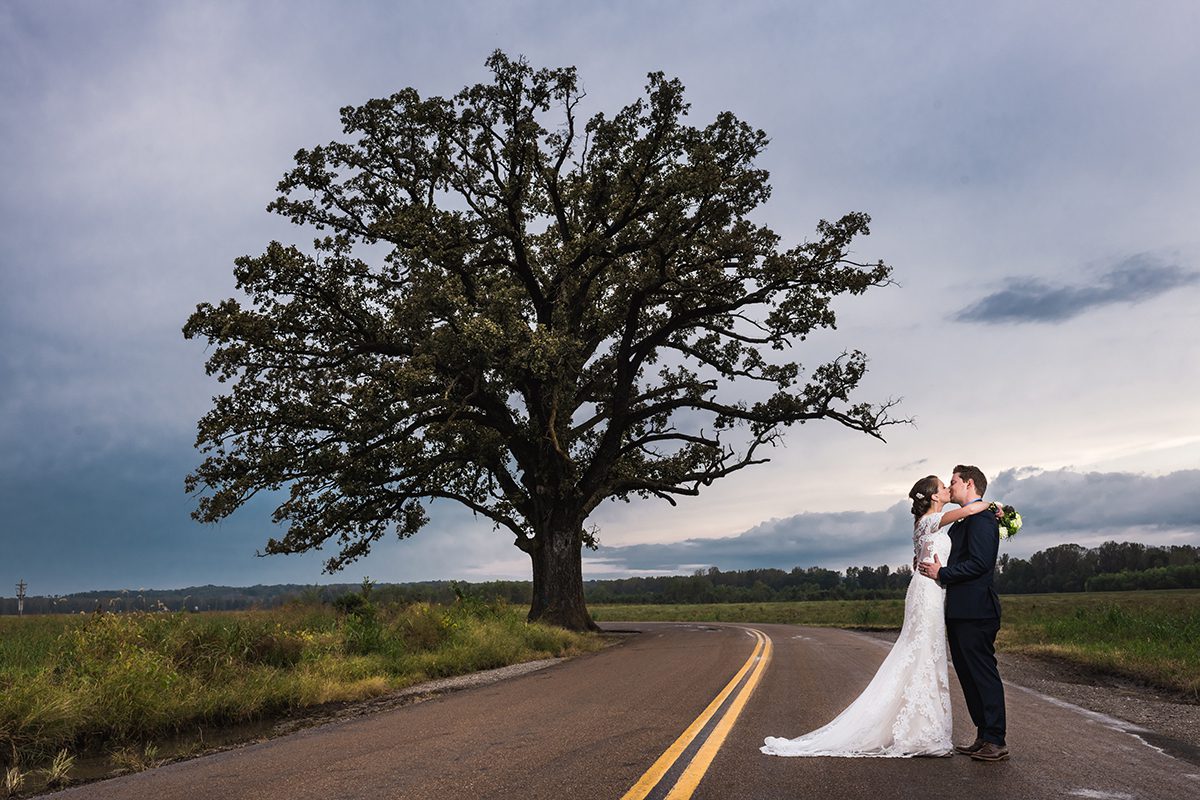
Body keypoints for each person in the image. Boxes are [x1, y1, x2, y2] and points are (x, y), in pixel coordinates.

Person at [761, 474, 991, 758]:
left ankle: (923, 728)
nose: (947, 489)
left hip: (931, 589)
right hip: (927, 592)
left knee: (926, 654)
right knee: (922, 654)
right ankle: (918, 732)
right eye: (943, 487)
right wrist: (996, 507)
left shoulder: (931, 525)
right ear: (933, 497)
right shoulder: (931, 521)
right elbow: (970, 510)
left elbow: (921, 558)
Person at [918, 465, 1008, 761]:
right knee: (968, 676)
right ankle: (983, 735)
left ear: (969, 484)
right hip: (957, 610)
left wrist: (941, 573)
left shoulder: (982, 518)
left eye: (954, 481)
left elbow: (980, 564)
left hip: (977, 609)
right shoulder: (958, 524)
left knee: (982, 673)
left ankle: (996, 739)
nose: (951, 486)